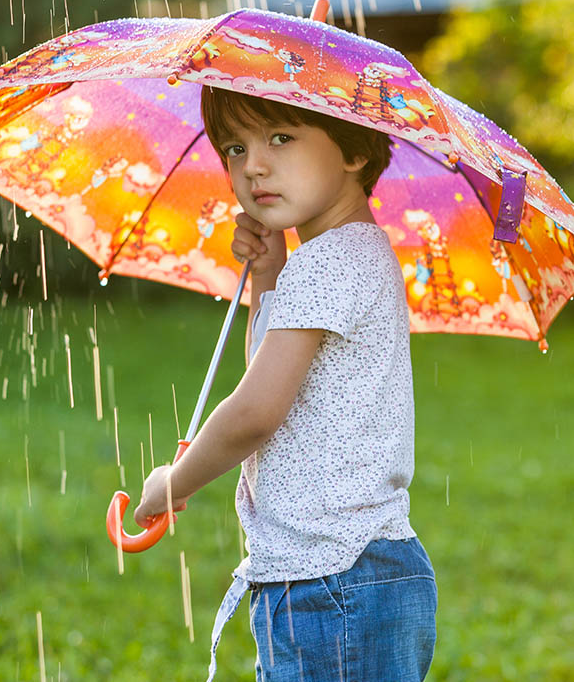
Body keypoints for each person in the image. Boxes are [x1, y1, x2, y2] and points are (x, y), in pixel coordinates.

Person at [134, 86, 437, 682]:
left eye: (280, 137)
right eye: (234, 147)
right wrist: (268, 274)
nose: (254, 166)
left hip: (332, 581)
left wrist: (176, 480)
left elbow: (256, 413)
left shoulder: (329, 262)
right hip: (353, 570)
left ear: (352, 149)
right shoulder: (342, 255)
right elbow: (269, 371)